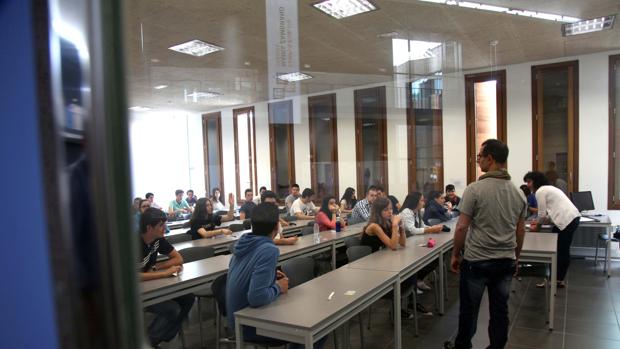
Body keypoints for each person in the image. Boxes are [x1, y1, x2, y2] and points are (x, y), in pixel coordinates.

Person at [444, 139, 526, 349]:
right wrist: (516, 257)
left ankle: (463, 345)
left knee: (469, 309)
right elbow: (520, 230)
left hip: (477, 261)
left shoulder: (474, 190)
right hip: (505, 260)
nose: (478, 160)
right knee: (500, 310)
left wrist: (455, 254)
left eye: (480, 156)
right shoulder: (518, 193)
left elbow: (461, 227)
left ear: (490, 159)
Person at [226, 203, 326, 349]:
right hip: (250, 325)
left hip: (235, 320)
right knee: (319, 327)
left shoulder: (243, 243)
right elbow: (256, 297)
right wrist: (278, 287)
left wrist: (270, 275)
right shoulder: (269, 249)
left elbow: (248, 274)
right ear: (276, 227)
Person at [139, 208, 194, 348]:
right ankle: (148, 342)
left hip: (152, 284)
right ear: (149, 227)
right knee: (171, 309)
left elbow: (178, 258)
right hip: (136, 292)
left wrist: (158, 267)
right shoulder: (133, 243)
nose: (165, 228)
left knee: (188, 298)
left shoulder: (157, 240)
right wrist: (164, 273)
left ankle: (157, 338)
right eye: (161, 226)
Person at [524, 171, 580, 288]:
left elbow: (542, 214)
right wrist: (540, 222)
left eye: (529, 182)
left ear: (535, 181)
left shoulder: (540, 191)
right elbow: (551, 213)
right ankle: (556, 279)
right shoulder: (550, 188)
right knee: (560, 249)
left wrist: (537, 227)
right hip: (572, 218)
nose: (528, 185)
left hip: (566, 221)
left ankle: (556, 280)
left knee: (560, 250)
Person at [399, 192, 442, 312]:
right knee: (418, 264)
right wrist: (430, 230)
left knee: (436, 258)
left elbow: (422, 225)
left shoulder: (416, 212)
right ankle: (414, 290)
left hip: (414, 244)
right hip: (405, 246)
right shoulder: (407, 211)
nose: (424, 202)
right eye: (422, 200)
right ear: (415, 201)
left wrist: (433, 228)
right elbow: (412, 230)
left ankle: (417, 280)